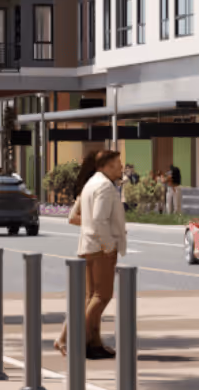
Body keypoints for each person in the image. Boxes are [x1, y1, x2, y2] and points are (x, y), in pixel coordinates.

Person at [56, 149, 127, 360]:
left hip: (88, 245)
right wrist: (108, 245)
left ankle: (93, 343)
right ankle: (72, 339)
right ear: (105, 166)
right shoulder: (105, 187)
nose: (121, 168)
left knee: (90, 298)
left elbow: (79, 217)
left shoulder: (91, 184)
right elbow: (98, 220)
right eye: (117, 164)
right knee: (101, 296)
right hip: (99, 248)